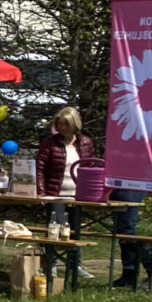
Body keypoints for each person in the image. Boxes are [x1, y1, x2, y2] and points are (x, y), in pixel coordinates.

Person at [36, 106, 94, 291]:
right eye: (59, 124)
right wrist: (41, 191)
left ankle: (74, 264)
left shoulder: (85, 142)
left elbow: (90, 167)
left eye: (65, 124)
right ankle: (51, 264)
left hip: (78, 195)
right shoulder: (50, 143)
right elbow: (40, 167)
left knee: (74, 231)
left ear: (74, 124)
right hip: (56, 193)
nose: (62, 127)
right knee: (55, 229)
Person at [109, 185, 152, 292]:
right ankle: (130, 274)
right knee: (122, 232)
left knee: (126, 232)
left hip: (130, 185)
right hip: (116, 184)